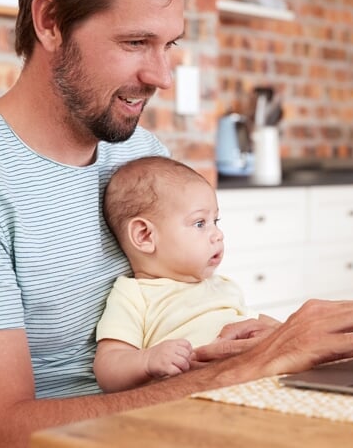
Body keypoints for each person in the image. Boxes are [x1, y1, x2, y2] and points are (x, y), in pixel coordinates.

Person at [0, 0, 353, 447]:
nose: (161, 76)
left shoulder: (138, 153)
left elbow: (176, 309)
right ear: (49, 22)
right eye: (136, 42)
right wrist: (242, 372)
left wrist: (256, 342)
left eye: (170, 45)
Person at [94, 156, 280, 392]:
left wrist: (284, 330)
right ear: (145, 236)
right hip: (193, 397)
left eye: (216, 221)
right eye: (200, 223)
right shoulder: (133, 295)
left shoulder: (223, 285)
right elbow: (108, 368)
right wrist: (147, 361)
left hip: (253, 382)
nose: (218, 234)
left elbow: (258, 325)